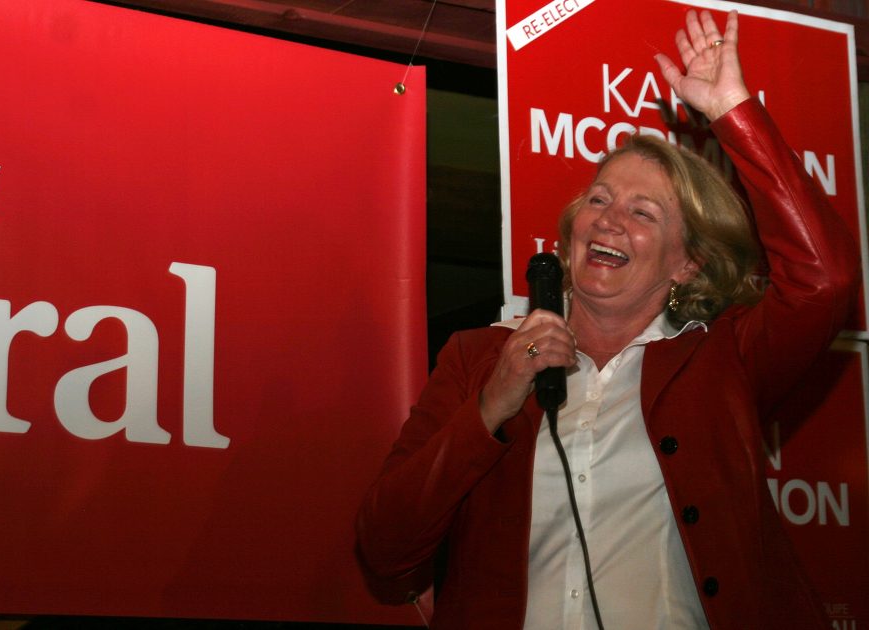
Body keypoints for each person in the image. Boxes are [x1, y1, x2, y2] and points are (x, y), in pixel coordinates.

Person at [356, 9, 860, 630]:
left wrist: (733, 108)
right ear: (568, 239)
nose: (610, 219)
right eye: (598, 200)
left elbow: (826, 278)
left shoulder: (721, 361)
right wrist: (490, 407)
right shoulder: (475, 359)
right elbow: (383, 548)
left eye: (643, 213)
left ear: (688, 266)